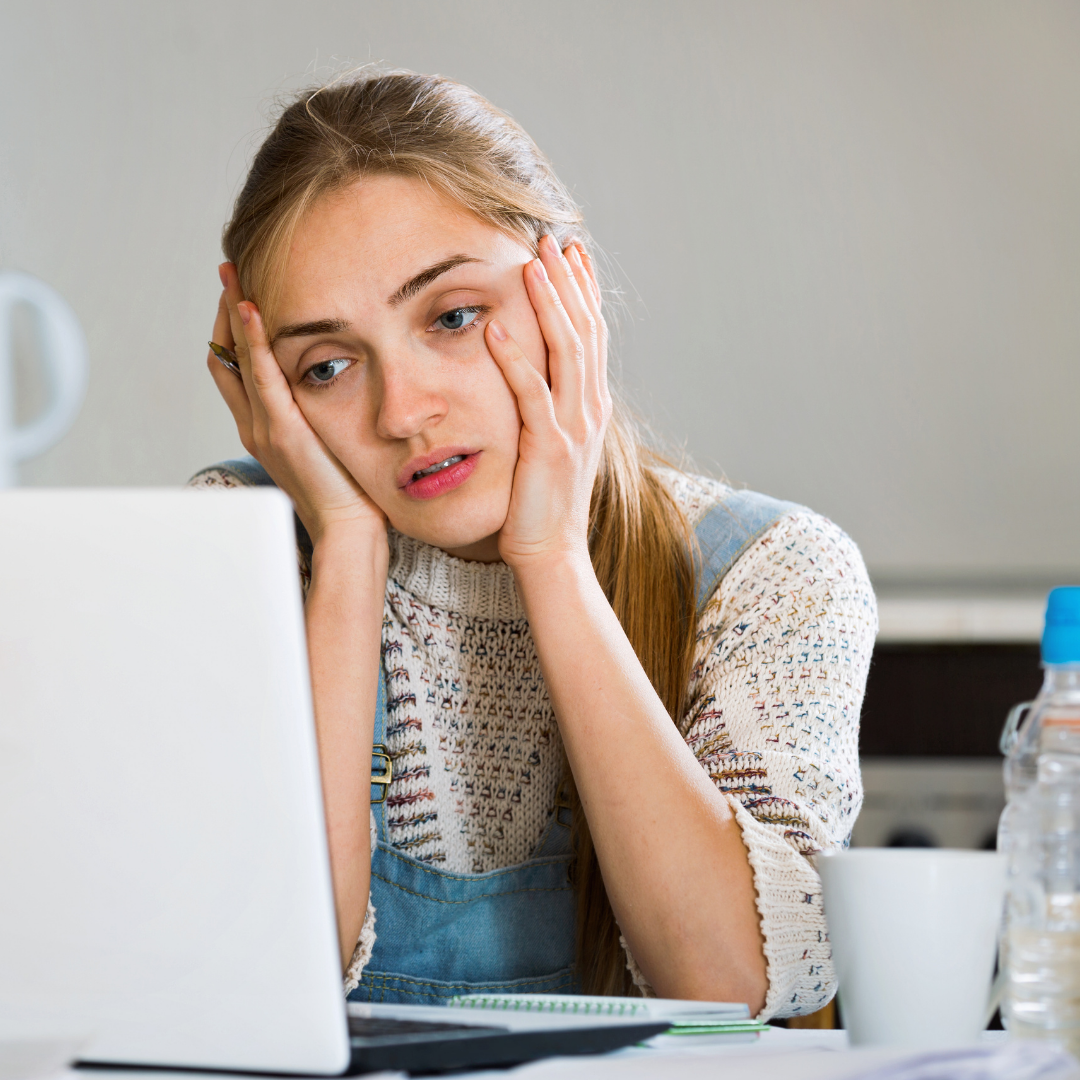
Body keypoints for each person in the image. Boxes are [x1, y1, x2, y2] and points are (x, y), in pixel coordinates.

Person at [191, 70, 876, 1019]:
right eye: (330, 366)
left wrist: (552, 556)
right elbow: (255, 984)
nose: (402, 412)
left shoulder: (773, 576)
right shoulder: (236, 549)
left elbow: (732, 983)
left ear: (571, 292)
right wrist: (346, 552)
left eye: (454, 315)